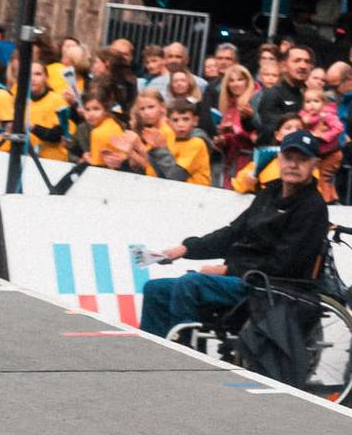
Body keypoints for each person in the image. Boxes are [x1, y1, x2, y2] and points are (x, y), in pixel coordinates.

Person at [139, 132, 333, 338]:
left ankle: (185, 358)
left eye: (302, 160)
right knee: (155, 289)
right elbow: (233, 233)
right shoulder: (269, 194)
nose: (293, 165)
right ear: (279, 159)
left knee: (191, 283)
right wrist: (186, 248)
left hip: (270, 286)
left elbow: (286, 263)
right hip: (241, 278)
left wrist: (229, 270)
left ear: (315, 164)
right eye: (288, 158)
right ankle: (154, 360)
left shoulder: (313, 207)